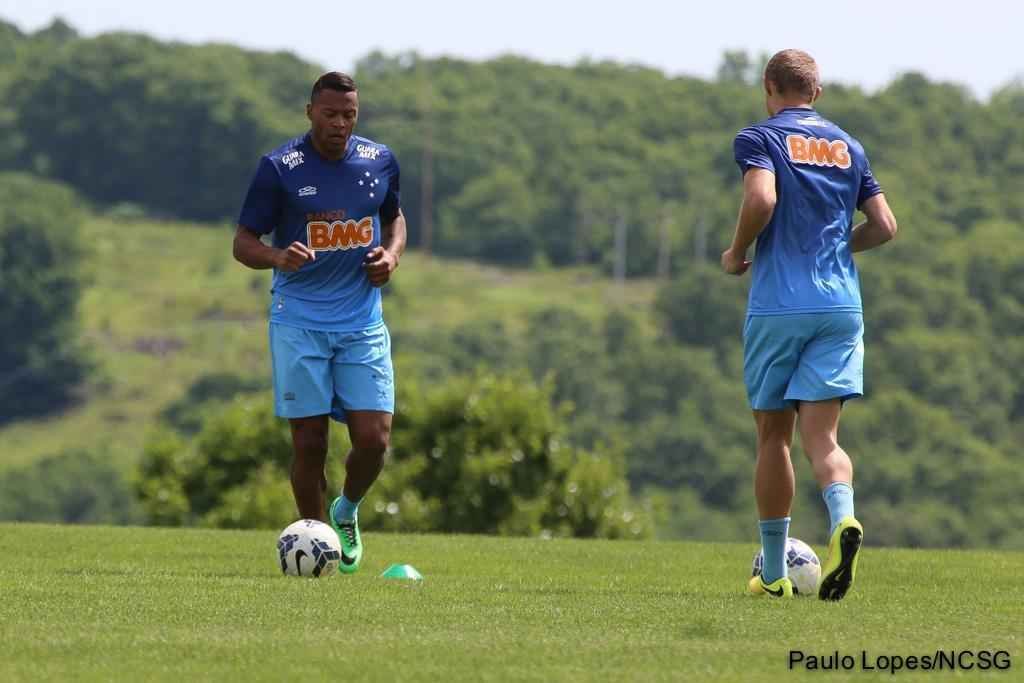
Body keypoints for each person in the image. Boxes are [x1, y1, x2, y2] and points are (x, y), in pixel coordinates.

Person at [722, 50, 898, 599]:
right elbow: (885, 226)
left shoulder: (761, 137)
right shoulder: (850, 146)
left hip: (780, 304)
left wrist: (737, 250)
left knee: (774, 436)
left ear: (768, 86)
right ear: (816, 93)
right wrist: (836, 249)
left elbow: (762, 196)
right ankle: (843, 517)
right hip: (840, 306)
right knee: (823, 437)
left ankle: (773, 573)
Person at [233, 71, 407, 574]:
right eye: (330, 114)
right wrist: (276, 255)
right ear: (310, 111)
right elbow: (242, 243)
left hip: (360, 321)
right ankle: (318, 550)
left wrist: (392, 257)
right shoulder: (279, 168)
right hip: (299, 321)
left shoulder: (380, 162)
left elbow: (395, 218)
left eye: (349, 115)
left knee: (374, 441)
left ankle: (346, 509)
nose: (340, 124)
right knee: (310, 445)